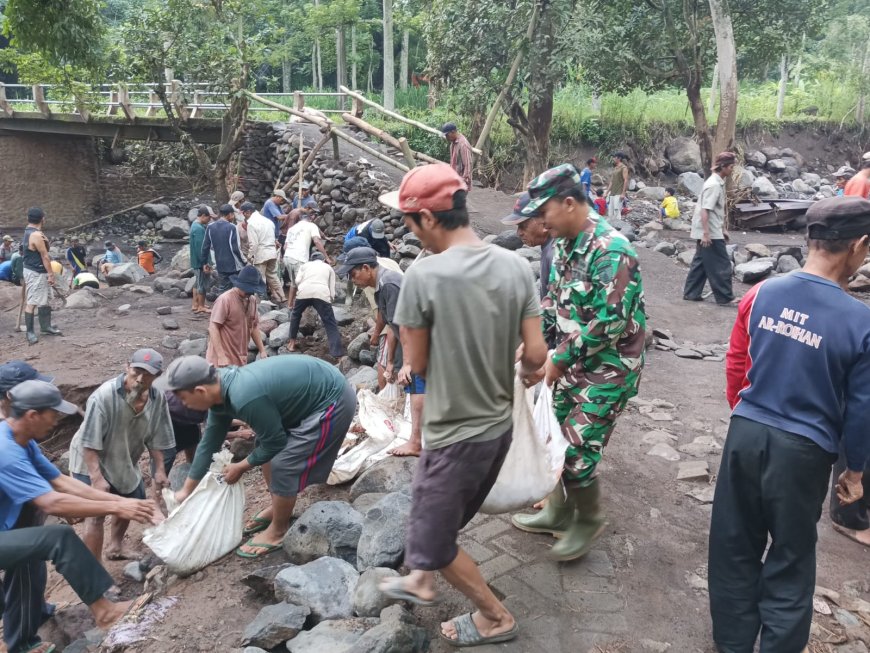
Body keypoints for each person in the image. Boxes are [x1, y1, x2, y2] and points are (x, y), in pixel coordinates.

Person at [375, 163, 547, 647]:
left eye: (409, 221)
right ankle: (423, 574)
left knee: (435, 537)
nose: (409, 230)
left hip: (454, 434)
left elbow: (420, 362)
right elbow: (535, 356)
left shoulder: (423, 277)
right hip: (498, 428)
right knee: (437, 526)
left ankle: (494, 616)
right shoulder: (515, 266)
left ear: (428, 218)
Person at [710, 196, 870, 653]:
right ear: (858, 245)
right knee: (791, 557)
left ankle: (733, 643)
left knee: (733, 544)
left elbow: (737, 361)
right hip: (803, 451)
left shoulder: (763, 293)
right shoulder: (861, 321)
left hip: (746, 433)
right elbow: (861, 409)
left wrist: (743, 412)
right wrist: (853, 472)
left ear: (809, 239)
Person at [509, 164, 646, 561]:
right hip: (572, 358)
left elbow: (610, 322)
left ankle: (588, 519)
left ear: (569, 204)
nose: (540, 222)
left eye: (543, 212)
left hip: (610, 366)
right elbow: (554, 300)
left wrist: (557, 361)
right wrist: (533, 344)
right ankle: (557, 511)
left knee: (576, 451)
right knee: (548, 433)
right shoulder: (565, 241)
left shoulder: (612, 250)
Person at [1, 380, 158, 653]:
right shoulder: (6, 451)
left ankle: (26, 633)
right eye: (53, 413)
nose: (56, 420)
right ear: (32, 416)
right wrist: (117, 508)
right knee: (57, 537)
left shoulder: (19, 437)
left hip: (7, 526)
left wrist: (121, 501)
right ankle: (105, 611)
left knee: (31, 550)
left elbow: (60, 482)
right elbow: (53, 502)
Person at [169, 354, 357, 559]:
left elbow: (275, 443)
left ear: (200, 391)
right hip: (309, 396)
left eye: (184, 400)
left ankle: (279, 530)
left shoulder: (244, 396)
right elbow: (209, 442)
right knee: (263, 447)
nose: (184, 405)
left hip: (332, 400)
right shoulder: (219, 394)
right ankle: (277, 507)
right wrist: (187, 490)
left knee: (283, 464)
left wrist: (240, 466)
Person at [68, 349, 174, 563]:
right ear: (127, 366)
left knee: (132, 499)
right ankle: (95, 576)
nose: (140, 379)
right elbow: (88, 441)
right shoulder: (104, 396)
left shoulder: (157, 399)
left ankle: (115, 547)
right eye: (136, 371)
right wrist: (96, 478)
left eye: (148, 374)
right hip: (89, 460)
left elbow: (157, 437)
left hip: (123, 458)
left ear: (158, 375)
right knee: (96, 515)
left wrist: (160, 469)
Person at [341, 247, 424, 456]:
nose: (354, 280)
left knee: (417, 385)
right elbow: (392, 325)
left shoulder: (389, 285)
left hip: (423, 339)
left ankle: (416, 442)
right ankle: (422, 438)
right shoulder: (381, 286)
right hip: (416, 338)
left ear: (367, 268)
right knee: (418, 386)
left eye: (354, 274)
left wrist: (407, 363)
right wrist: (390, 361)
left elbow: (404, 325)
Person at [682, 151, 738, 306]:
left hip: (711, 229)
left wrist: (723, 229)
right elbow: (705, 210)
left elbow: (715, 211)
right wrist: (707, 234)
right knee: (722, 263)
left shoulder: (716, 182)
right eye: (731, 167)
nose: (732, 170)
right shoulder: (714, 185)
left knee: (700, 263)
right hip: (710, 232)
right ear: (724, 167)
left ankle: (691, 293)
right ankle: (725, 297)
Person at [206, 265, 268, 367]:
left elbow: (254, 326)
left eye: (252, 290)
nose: (250, 292)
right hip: (221, 359)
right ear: (239, 285)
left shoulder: (252, 300)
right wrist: (221, 356)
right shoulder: (225, 300)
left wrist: (262, 350)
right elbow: (213, 328)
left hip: (240, 357)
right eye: (247, 289)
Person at [286, 253, 344, 358]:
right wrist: (330, 299)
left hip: (304, 292)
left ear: (311, 260)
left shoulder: (305, 266)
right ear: (323, 260)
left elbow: (297, 281)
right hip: (321, 293)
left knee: (295, 316)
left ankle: (291, 344)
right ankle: (336, 353)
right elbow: (332, 289)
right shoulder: (328, 267)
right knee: (330, 323)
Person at [500, 191, 555, 301]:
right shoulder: (548, 246)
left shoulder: (554, 253)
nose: (519, 233)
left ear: (544, 222)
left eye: (523, 226)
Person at [22, 208, 61, 345]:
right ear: (42, 219)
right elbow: (45, 256)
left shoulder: (29, 231)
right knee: (32, 302)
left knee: (44, 300)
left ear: (28, 219)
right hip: (36, 272)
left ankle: (46, 327)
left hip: (33, 270)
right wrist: (51, 274)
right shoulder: (36, 235)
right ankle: (30, 333)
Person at [284, 211, 332, 308]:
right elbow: (317, 241)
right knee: (303, 284)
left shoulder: (292, 228)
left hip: (287, 257)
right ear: (310, 217)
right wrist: (326, 257)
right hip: (299, 258)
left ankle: (289, 307)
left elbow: (285, 246)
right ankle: (301, 310)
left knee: (294, 283)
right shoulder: (311, 226)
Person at [244, 201, 285, 304]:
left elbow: (254, 244)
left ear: (248, 212)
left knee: (260, 278)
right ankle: (282, 296)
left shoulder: (252, 224)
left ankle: (260, 302)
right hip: (272, 252)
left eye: (244, 213)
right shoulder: (268, 222)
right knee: (272, 275)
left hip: (261, 254)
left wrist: (250, 257)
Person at [201, 204, 245, 294]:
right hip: (233, 265)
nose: (233, 217)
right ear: (229, 214)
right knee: (237, 290)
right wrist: (244, 261)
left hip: (220, 263)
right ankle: (234, 307)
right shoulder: (232, 227)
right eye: (233, 214)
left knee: (223, 289)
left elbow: (205, 247)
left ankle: (221, 307)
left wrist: (205, 263)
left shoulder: (210, 227)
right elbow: (235, 248)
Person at [189, 205, 215, 315]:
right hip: (200, 262)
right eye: (209, 217)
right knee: (202, 284)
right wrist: (205, 263)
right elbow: (201, 249)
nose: (210, 219)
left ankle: (195, 304)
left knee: (197, 282)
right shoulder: (199, 229)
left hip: (196, 260)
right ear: (203, 216)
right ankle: (201, 306)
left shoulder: (195, 225)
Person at [440, 122, 473, 191]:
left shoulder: (463, 144)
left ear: (453, 132)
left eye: (447, 135)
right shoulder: (453, 144)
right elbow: (453, 162)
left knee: (457, 201)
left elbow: (468, 165)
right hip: (455, 179)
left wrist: (462, 181)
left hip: (461, 182)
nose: (446, 138)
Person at [603, 152, 629, 223]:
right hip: (612, 193)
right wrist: (607, 192)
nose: (613, 159)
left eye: (614, 157)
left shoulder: (624, 168)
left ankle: (618, 227)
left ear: (619, 158)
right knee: (610, 212)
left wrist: (623, 193)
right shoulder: (615, 168)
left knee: (617, 211)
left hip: (619, 192)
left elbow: (625, 180)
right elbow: (611, 181)